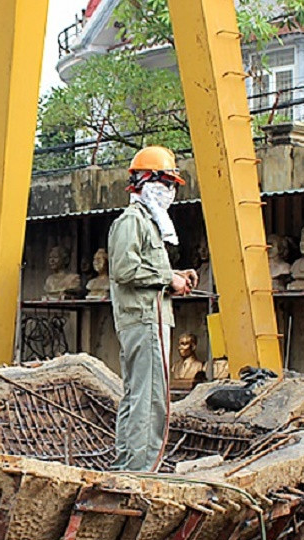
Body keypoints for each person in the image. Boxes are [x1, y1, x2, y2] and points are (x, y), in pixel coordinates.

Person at [108, 145, 196, 472]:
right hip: (143, 323)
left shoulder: (149, 224)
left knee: (139, 397)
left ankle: (130, 465)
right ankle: (141, 472)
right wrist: (167, 278)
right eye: (167, 184)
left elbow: (144, 272)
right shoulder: (132, 221)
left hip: (150, 320)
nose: (171, 192)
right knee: (150, 400)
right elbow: (124, 270)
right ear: (149, 182)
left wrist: (175, 276)